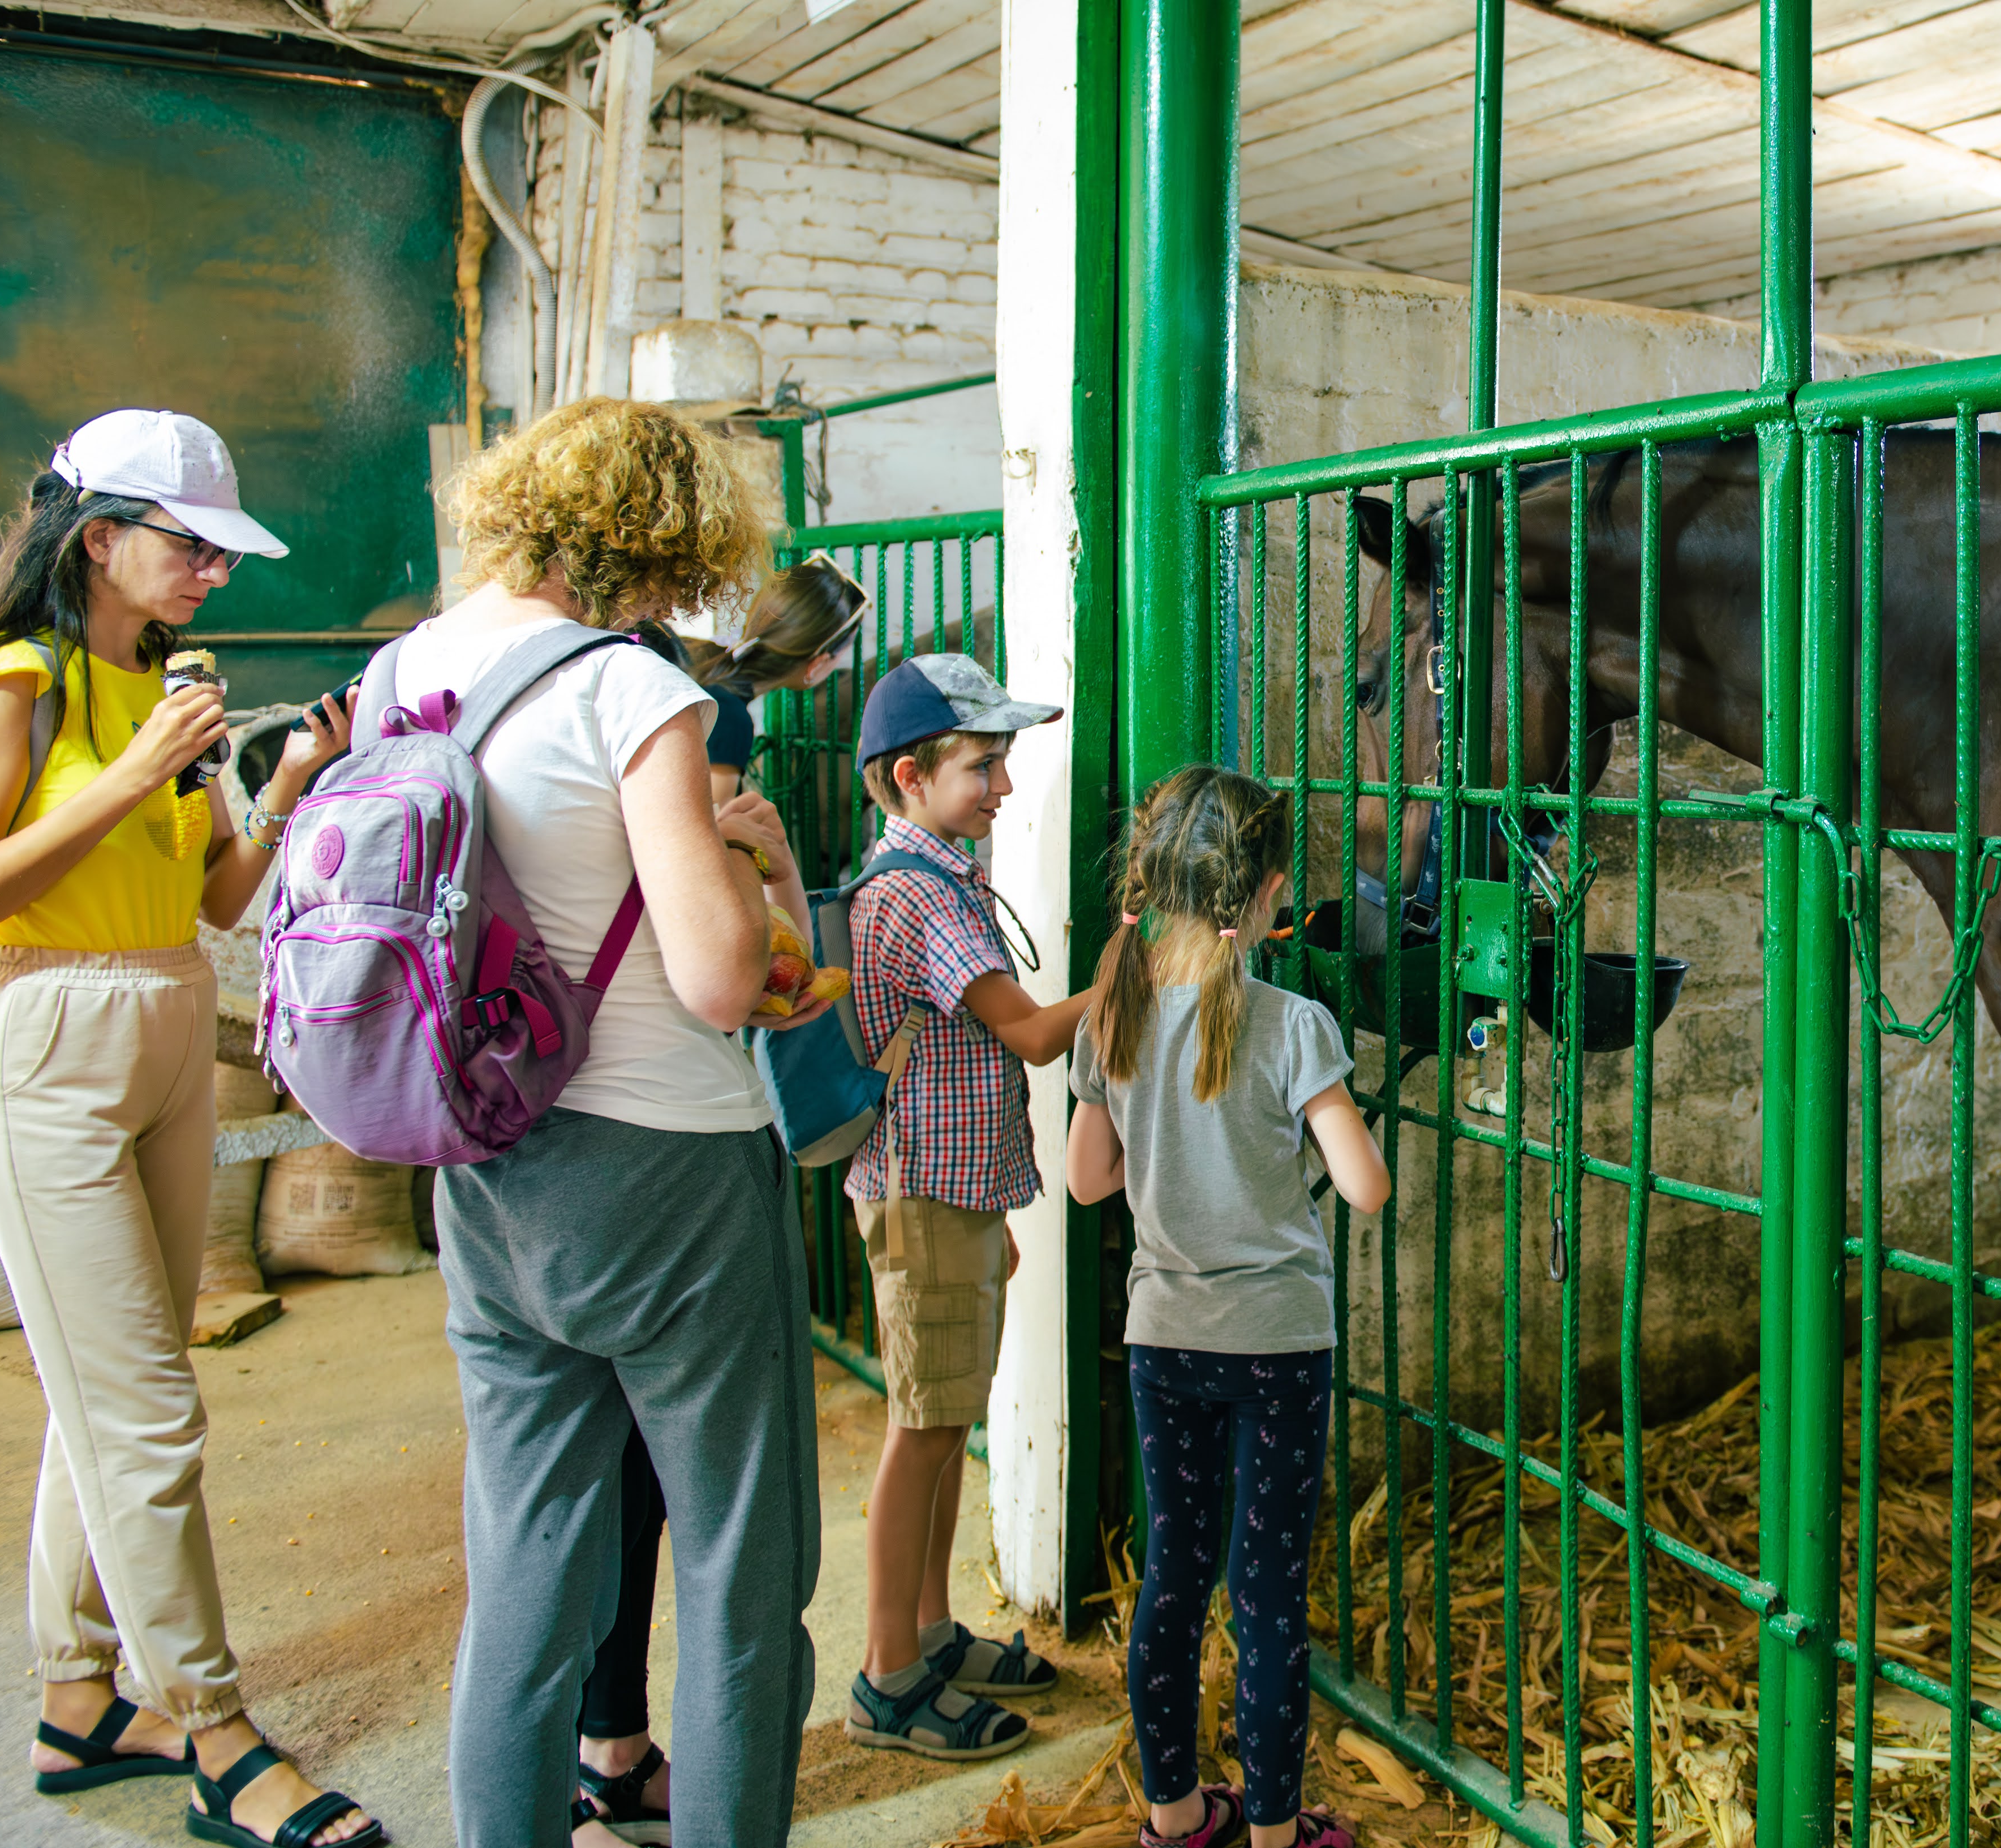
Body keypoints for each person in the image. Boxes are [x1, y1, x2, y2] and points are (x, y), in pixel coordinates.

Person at [0, 409, 378, 1847]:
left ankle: (78, 1698)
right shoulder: (22, 680)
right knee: (148, 1415)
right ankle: (217, 1731)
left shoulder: (169, 684)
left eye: (219, 553)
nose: (213, 575)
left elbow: (221, 899)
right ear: (98, 535)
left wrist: (288, 783)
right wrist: (131, 774)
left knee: (108, 1391)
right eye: (192, 546)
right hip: (46, 1033)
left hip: (173, 1020)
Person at [410, 397, 827, 1848]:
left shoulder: (417, 658)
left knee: (524, 1554)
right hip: (665, 1168)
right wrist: (735, 872)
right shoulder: (630, 691)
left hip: (484, 1156)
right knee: (735, 1553)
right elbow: (719, 975)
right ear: (665, 537)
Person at [562, 555, 868, 1845]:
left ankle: (598, 1753)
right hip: (674, 1131)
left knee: (576, 1492)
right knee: (722, 1520)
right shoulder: (700, 720)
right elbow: (743, 973)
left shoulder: (525, 680)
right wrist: (782, 898)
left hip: (545, 1136)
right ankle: (621, 1758)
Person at [1064, 764, 1390, 1848]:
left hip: (1165, 1340)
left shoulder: (1111, 1011)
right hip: (1278, 1347)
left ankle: (1171, 1814)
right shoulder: (1292, 1021)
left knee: (1171, 1577)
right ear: (1270, 894)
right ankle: (1275, 1829)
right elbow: (1364, 1187)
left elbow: (1086, 1180)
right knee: (1264, 1597)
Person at [841, 653, 1092, 1760]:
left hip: (949, 1192)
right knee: (924, 1427)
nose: (1001, 786)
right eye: (981, 766)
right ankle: (887, 1672)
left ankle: (932, 1632)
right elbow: (1034, 1033)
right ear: (906, 776)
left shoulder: (936, 873)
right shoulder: (917, 895)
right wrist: (1139, 965)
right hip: (925, 1194)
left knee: (945, 1423)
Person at [679, 554, 867, 806]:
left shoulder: (684, 651)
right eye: (839, 657)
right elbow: (704, 831)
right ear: (818, 663)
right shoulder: (730, 719)